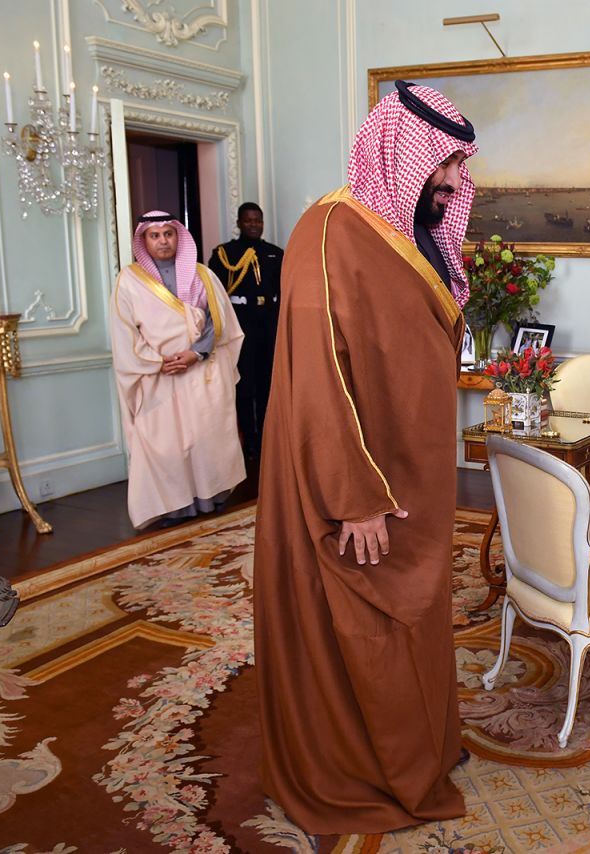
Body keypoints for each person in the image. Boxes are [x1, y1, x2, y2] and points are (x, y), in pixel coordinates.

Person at [254, 81, 478, 834]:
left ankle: (424, 745)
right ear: (399, 153)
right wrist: (354, 493)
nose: (452, 180)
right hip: (361, 479)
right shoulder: (328, 230)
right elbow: (318, 371)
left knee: (420, 613)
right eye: (442, 164)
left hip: (416, 468)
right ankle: (365, 767)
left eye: (456, 166)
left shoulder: (410, 230)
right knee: (365, 622)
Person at [109, 212, 246, 529]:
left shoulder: (203, 276)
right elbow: (125, 332)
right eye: (154, 235)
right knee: (168, 443)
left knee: (204, 438)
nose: (162, 241)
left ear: (178, 236)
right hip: (159, 376)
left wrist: (194, 354)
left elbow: (219, 321)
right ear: (143, 241)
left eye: (168, 234)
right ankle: (174, 507)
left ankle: (208, 498)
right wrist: (159, 362)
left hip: (199, 371)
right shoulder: (129, 280)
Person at [207, 202, 284, 460]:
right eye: (249, 220)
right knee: (245, 386)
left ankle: (266, 438)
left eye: (258, 220)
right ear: (239, 223)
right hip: (240, 326)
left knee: (267, 386)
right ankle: (249, 442)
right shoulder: (224, 254)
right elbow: (215, 296)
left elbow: (283, 293)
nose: (254, 225)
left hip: (268, 326)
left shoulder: (275, 253)